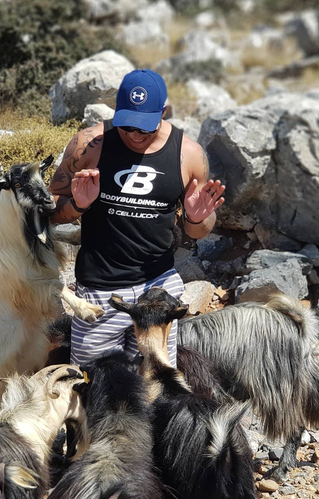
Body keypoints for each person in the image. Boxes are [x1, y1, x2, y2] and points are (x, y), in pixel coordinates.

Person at [48, 68, 226, 367]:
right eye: (127, 125)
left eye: (145, 128)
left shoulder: (189, 155)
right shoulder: (89, 145)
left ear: (164, 112)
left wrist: (195, 219)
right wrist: (78, 205)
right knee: (91, 385)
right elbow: (50, 211)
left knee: (154, 385)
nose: (134, 136)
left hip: (157, 292)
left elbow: (198, 232)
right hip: (99, 292)